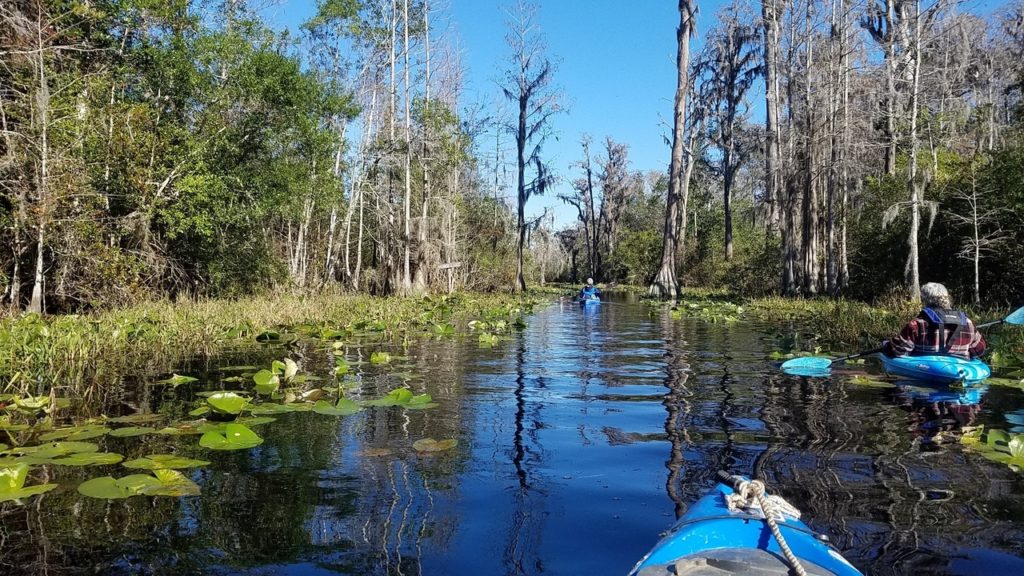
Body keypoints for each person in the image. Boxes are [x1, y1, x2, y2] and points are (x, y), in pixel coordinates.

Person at [883, 282, 986, 360]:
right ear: (947, 299)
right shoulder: (968, 323)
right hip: (958, 368)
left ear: (925, 300)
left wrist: (887, 344)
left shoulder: (916, 325)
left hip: (924, 372)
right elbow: (979, 351)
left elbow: (899, 351)